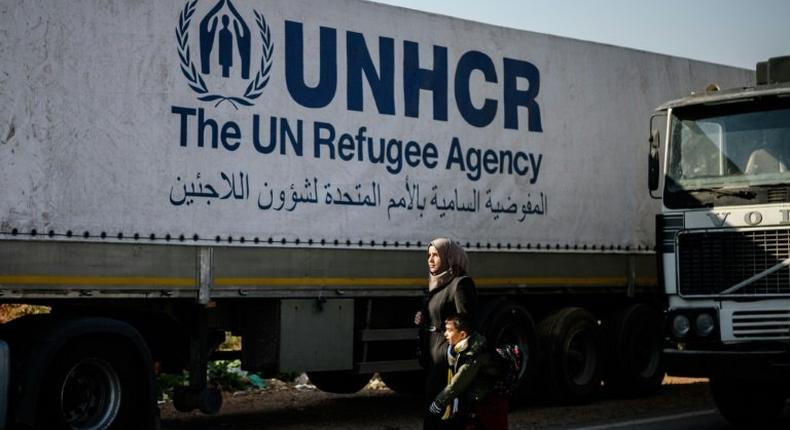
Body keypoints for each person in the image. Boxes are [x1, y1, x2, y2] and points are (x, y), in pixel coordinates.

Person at [415, 238, 478, 429]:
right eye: (429, 255)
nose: (430, 260)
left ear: (450, 257)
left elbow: (468, 323)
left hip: (447, 361)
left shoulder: (460, 285)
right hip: (433, 357)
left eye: (436, 255)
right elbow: (439, 315)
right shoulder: (437, 285)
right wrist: (424, 318)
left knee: (443, 415)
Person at [428, 314, 508, 430]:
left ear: (462, 334)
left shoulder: (473, 354)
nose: (445, 334)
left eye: (450, 331)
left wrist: (439, 402)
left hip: (490, 404)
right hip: (482, 401)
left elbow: (459, 382)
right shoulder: (469, 345)